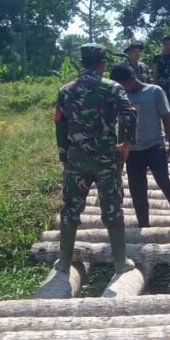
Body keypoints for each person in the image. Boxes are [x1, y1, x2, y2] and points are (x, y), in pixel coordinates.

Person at [54, 43, 138, 275]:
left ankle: (63, 262)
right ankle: (120, 262)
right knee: (112, 209)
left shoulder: (66, 90)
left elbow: (59, 124)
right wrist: (126, 145)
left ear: (82, 63)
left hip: (76, 160)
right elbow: (129, 116)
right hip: (105, 159)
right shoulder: (113, 88)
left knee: (71, 209)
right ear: (103, 64)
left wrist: (64, 154)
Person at [109, 63, 170, 232]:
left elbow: (166, 119)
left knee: (163, 180)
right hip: (133, 150)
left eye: (122, 84)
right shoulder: (122, 98)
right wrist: (120, 151)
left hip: (155, 145)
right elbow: (121, 125)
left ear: (132, 79)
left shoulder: (154, 91)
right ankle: (143, 224)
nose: (122, 89)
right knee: (136, 188)